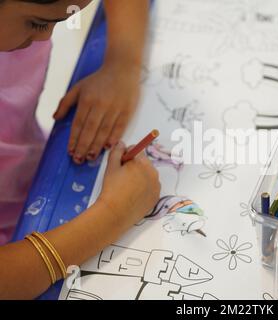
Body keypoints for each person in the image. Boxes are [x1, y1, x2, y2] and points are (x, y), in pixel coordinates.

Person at [0, 0, 160, 299]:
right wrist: (113, 214)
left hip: (30, 182)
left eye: (60, 21)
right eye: (37, 23)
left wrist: (122, 63)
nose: (47, 38)